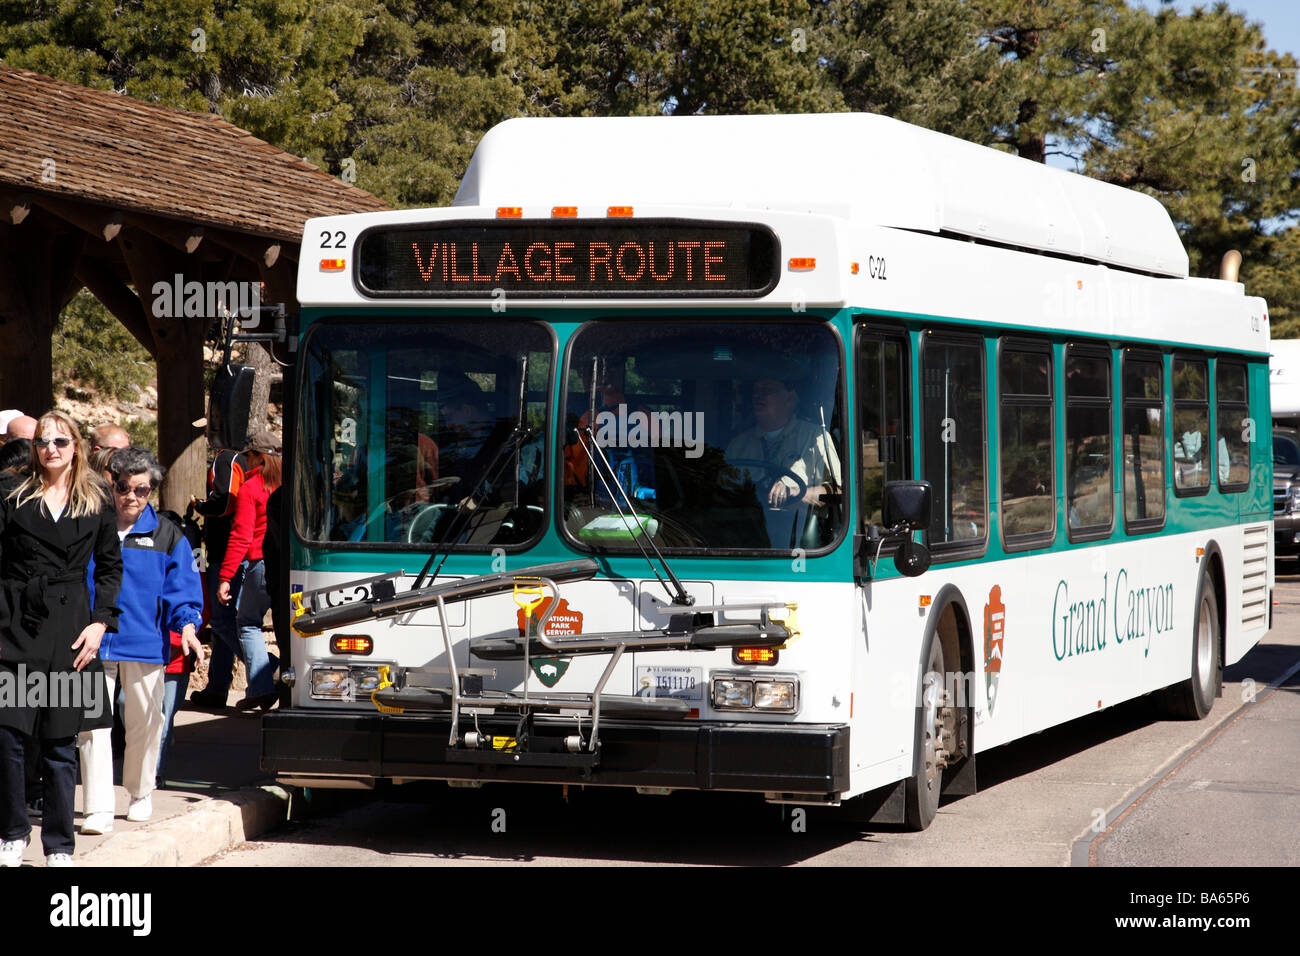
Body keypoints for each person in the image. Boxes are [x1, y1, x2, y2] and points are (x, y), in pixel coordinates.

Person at [0, 411, 121, 867]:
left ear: (76, 447)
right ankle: (12, 832)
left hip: (72, 631)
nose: (51, 448)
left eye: (61, 441)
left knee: (59, 742)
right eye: (43, 442)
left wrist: (100, 621)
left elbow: (110, 567)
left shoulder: (97, 498)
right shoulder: (9, 491)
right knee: (8, 737)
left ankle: (59, 844)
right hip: (15, 625)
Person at [78, 448, 203, 832]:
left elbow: (183, 590)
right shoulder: (88, 526)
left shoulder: (168, 535)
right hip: (91, 643)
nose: (131, 497)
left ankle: (140, 791)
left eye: (142, 489)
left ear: (152, 490)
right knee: (90, 726)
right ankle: (97, 807)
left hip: (145, 643)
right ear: (110, 483)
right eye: (123, 487)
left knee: (146, 724)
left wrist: (186, 626)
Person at [724, 377, 842, 548]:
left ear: (790, 398)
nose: (758, 396)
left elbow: (838, 490)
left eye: (768, 390)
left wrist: (796, 493)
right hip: (745, 537)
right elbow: (721, 493)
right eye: (756, 391)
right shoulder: (738, 444)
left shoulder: (814, 437)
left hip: (800, 540)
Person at [216, 431, 282, 713]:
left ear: (258, 457)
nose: (246, 462)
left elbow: (241, 536)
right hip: (288, 563)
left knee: (248, 623)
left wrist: (225, 577)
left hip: (260, 563)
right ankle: (274, 674)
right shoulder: (292, 484)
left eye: (249, 457)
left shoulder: (252, 487)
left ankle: (262, 686)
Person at [187, 438, 247, 708]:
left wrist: (200, 506)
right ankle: (217, 687)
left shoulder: (225, 457)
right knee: (227, 622)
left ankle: (269, 667)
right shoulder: (244, 460)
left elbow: (224, 502)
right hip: (237, 554)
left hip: (226, 554)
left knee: (222, 620)